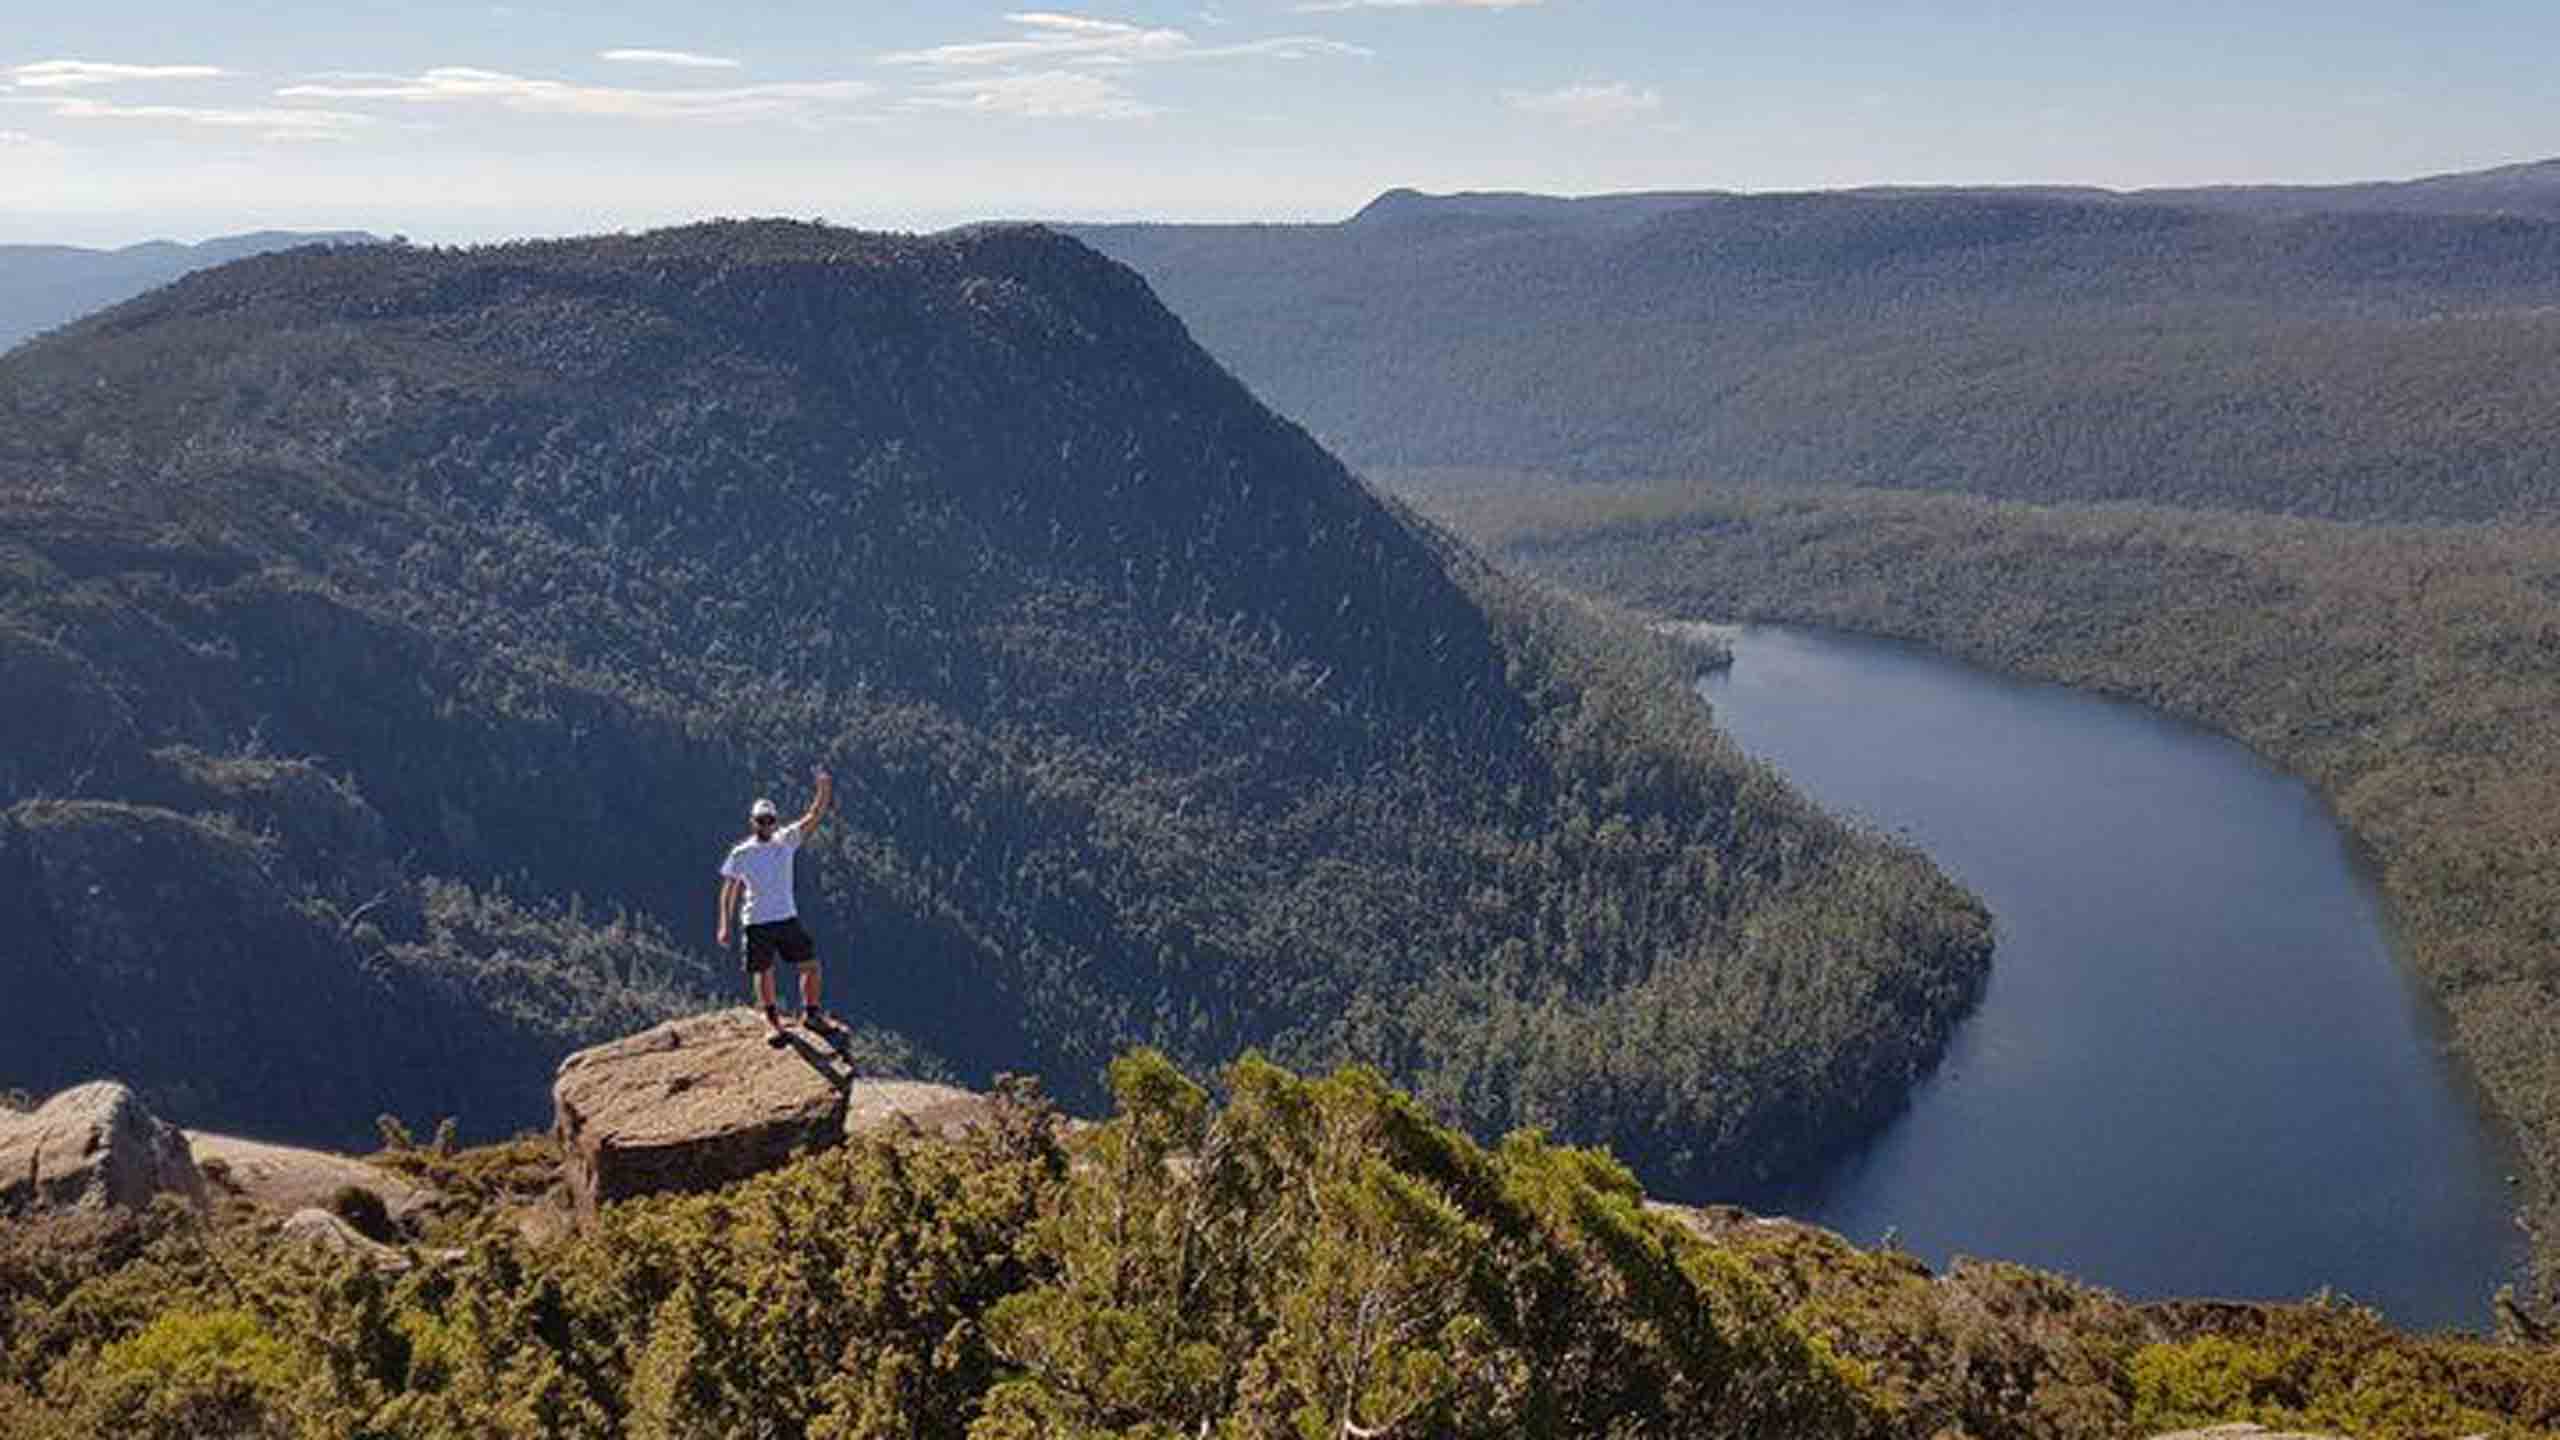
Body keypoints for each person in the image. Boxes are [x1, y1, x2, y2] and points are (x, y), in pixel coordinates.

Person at [715, 766, 835, 1045]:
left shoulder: (786, 840)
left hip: (785, 917)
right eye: (761, 820)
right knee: (764, 971)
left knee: (810, 965)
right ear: (753, 821)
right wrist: (724, 925)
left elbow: (814, 815)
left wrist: (824, 789)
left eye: (770, 820)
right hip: (756, 920)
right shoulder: (741, 853)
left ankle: (812, 1014)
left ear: (776, 821)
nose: (766, 824)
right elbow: (729, 890)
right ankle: (772, 1022)